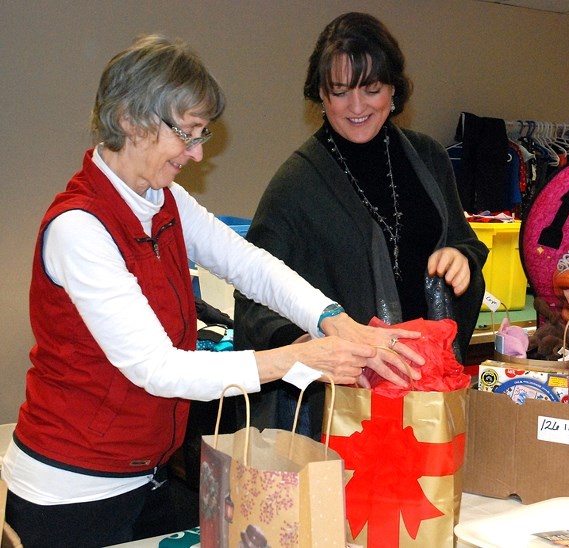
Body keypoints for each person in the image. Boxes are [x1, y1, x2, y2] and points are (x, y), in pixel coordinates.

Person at [0, 34, 425, 548]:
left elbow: (250, 265)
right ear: (132, 120)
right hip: (71, 496)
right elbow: (158, 369)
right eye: (188, 134)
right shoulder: (79, 228)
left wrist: (331, 318)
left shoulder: (164, 198)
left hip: (146, 479)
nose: (198, 154)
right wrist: (297, 359)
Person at [234, 12, 488, 438]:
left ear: (394, 91)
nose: (357, 107)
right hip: (344, 407)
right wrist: (308, 350)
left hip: (426, 387)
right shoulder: (296, 184)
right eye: (339, 92)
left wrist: (459, 257)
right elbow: (253, 299)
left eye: (371, 89)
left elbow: (463, 241)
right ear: (320, 95)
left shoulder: (428, 159)